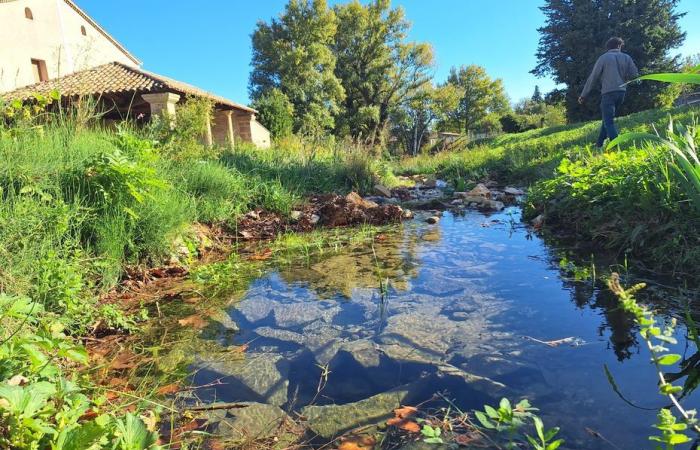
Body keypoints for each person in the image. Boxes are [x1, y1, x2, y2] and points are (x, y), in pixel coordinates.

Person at [578, 37, 639, 149]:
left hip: (608, 93)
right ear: (619, 46)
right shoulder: (627, 57)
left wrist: (583, 94)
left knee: (608, 121)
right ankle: (599, 144)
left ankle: (616, 146)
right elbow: (634, 75)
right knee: (607, 119)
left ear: (608, 47)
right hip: (621, 93)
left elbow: (593, 77)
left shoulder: (603, 58)